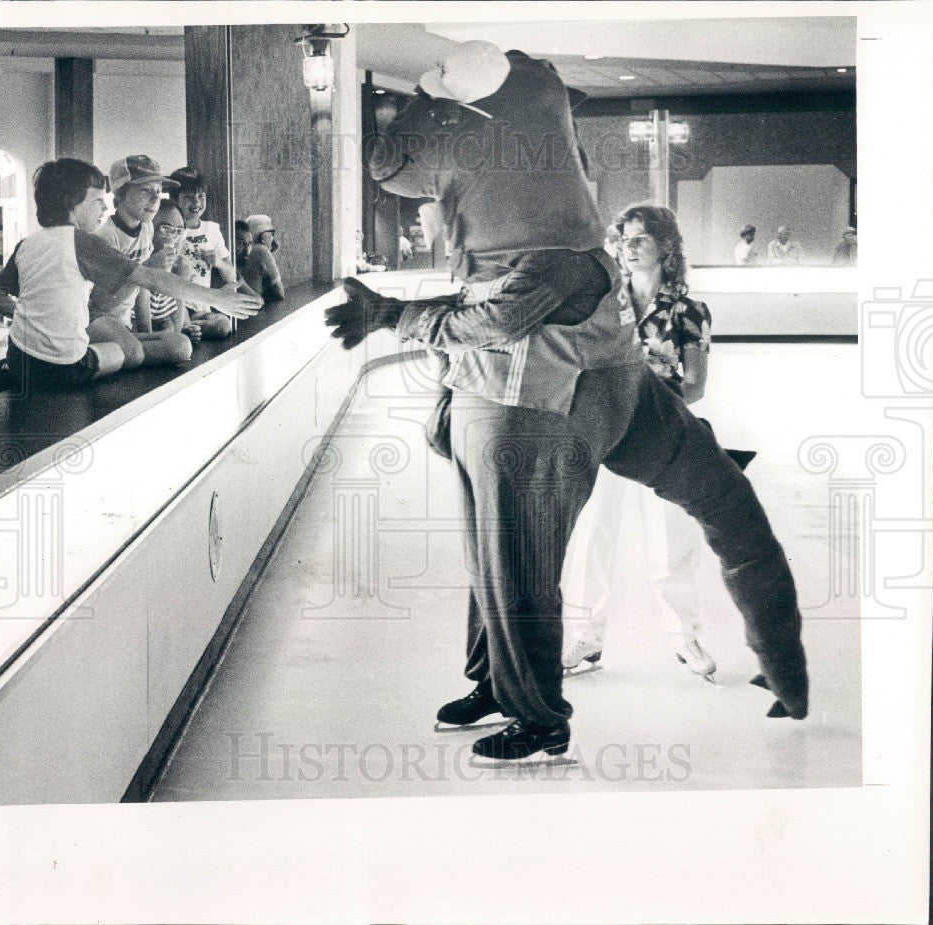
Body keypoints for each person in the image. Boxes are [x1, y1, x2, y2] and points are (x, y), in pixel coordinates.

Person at [326, 43, 808, 763]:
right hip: (596, 385)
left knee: (513, 563)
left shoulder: (545, 242)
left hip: (533, 408)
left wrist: (395, 317)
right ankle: (498, 682)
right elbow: (488, 296)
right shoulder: (542, 138)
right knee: (511, 555)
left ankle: (539, 718)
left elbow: (494, 314)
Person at [561, 204, 715, 678]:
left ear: (666, 247)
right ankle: (585, 640)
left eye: (640, 239)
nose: (629, 247)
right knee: (592, 534)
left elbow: (696, 385)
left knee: (671, 538)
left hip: (663, 432)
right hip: (605, 431)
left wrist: (651, 394)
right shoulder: (607, 305)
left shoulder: (689, 312)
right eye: (624, 238)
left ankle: (684, 639)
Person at [0, 158, 260, 396]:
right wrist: (213, 297)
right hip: (65, 368)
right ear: (73, 204)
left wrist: (28, 317)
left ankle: (8, 371)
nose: (103, 210)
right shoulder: (83, 241)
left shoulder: (27, 244)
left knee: (159, 345)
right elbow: (151, 279)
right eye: (96, 202)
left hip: (20, 359)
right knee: (127, 354)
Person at [87, 155, 193, 367]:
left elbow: (142, 291)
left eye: (158, 190)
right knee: (162, 350)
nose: (155, 199)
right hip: (95, 320)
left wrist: (146, 331)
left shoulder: (147, 228)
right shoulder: (106, 237)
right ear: (121, 195)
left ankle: (112, 357)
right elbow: (101, 302)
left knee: (180, 344)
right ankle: (92, 357)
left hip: (123, 323)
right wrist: (144, 270)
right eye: (145, 190)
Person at [168, 167, 241, 340]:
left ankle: (187, 329)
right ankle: (183, 328)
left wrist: (218, 262)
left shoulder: (212, 229)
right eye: (188, 197)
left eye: (201, 196)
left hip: (202, 308)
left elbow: (231, 276)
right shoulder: (169, 228)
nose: (196, 203)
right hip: (174, 304)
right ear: (174, 199)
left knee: (223, 325)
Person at [149, 200, 202, 344]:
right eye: (166, 229)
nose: (173, 238)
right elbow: (141, 332)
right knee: (180, 347)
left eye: (179, 231)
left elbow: (174, 325)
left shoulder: (173, 272)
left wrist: (184, 330)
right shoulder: (142, 270)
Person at [235, 219, 285, 301]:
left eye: (249, 243)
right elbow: (279, 293)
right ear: (262, 236)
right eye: (271, 233)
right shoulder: (261, 250)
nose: (272, 238)